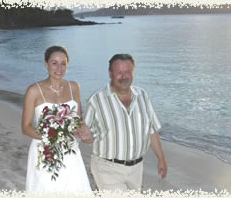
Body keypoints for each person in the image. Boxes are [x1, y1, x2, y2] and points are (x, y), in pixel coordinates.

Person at [82, 54, 167, 191]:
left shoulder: (142, 96)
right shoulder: (96, 101)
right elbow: (87, 136)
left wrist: (161, 158)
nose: (124, 76)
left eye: (128, 72)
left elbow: (151, 131)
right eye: (119, 73)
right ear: (110, 74)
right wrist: (86, 137)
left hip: (137, 169)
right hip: (107, 168)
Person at [21, 46, 91, 192]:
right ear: (46, 64)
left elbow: (77, 120)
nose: (59, 68)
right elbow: (26, 127)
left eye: (63, 63)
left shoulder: (74, 87)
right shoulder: (34, 90)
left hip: (70, 152)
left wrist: (84, 133)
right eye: (54, 63)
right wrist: (52, 138)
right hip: (45, 152)